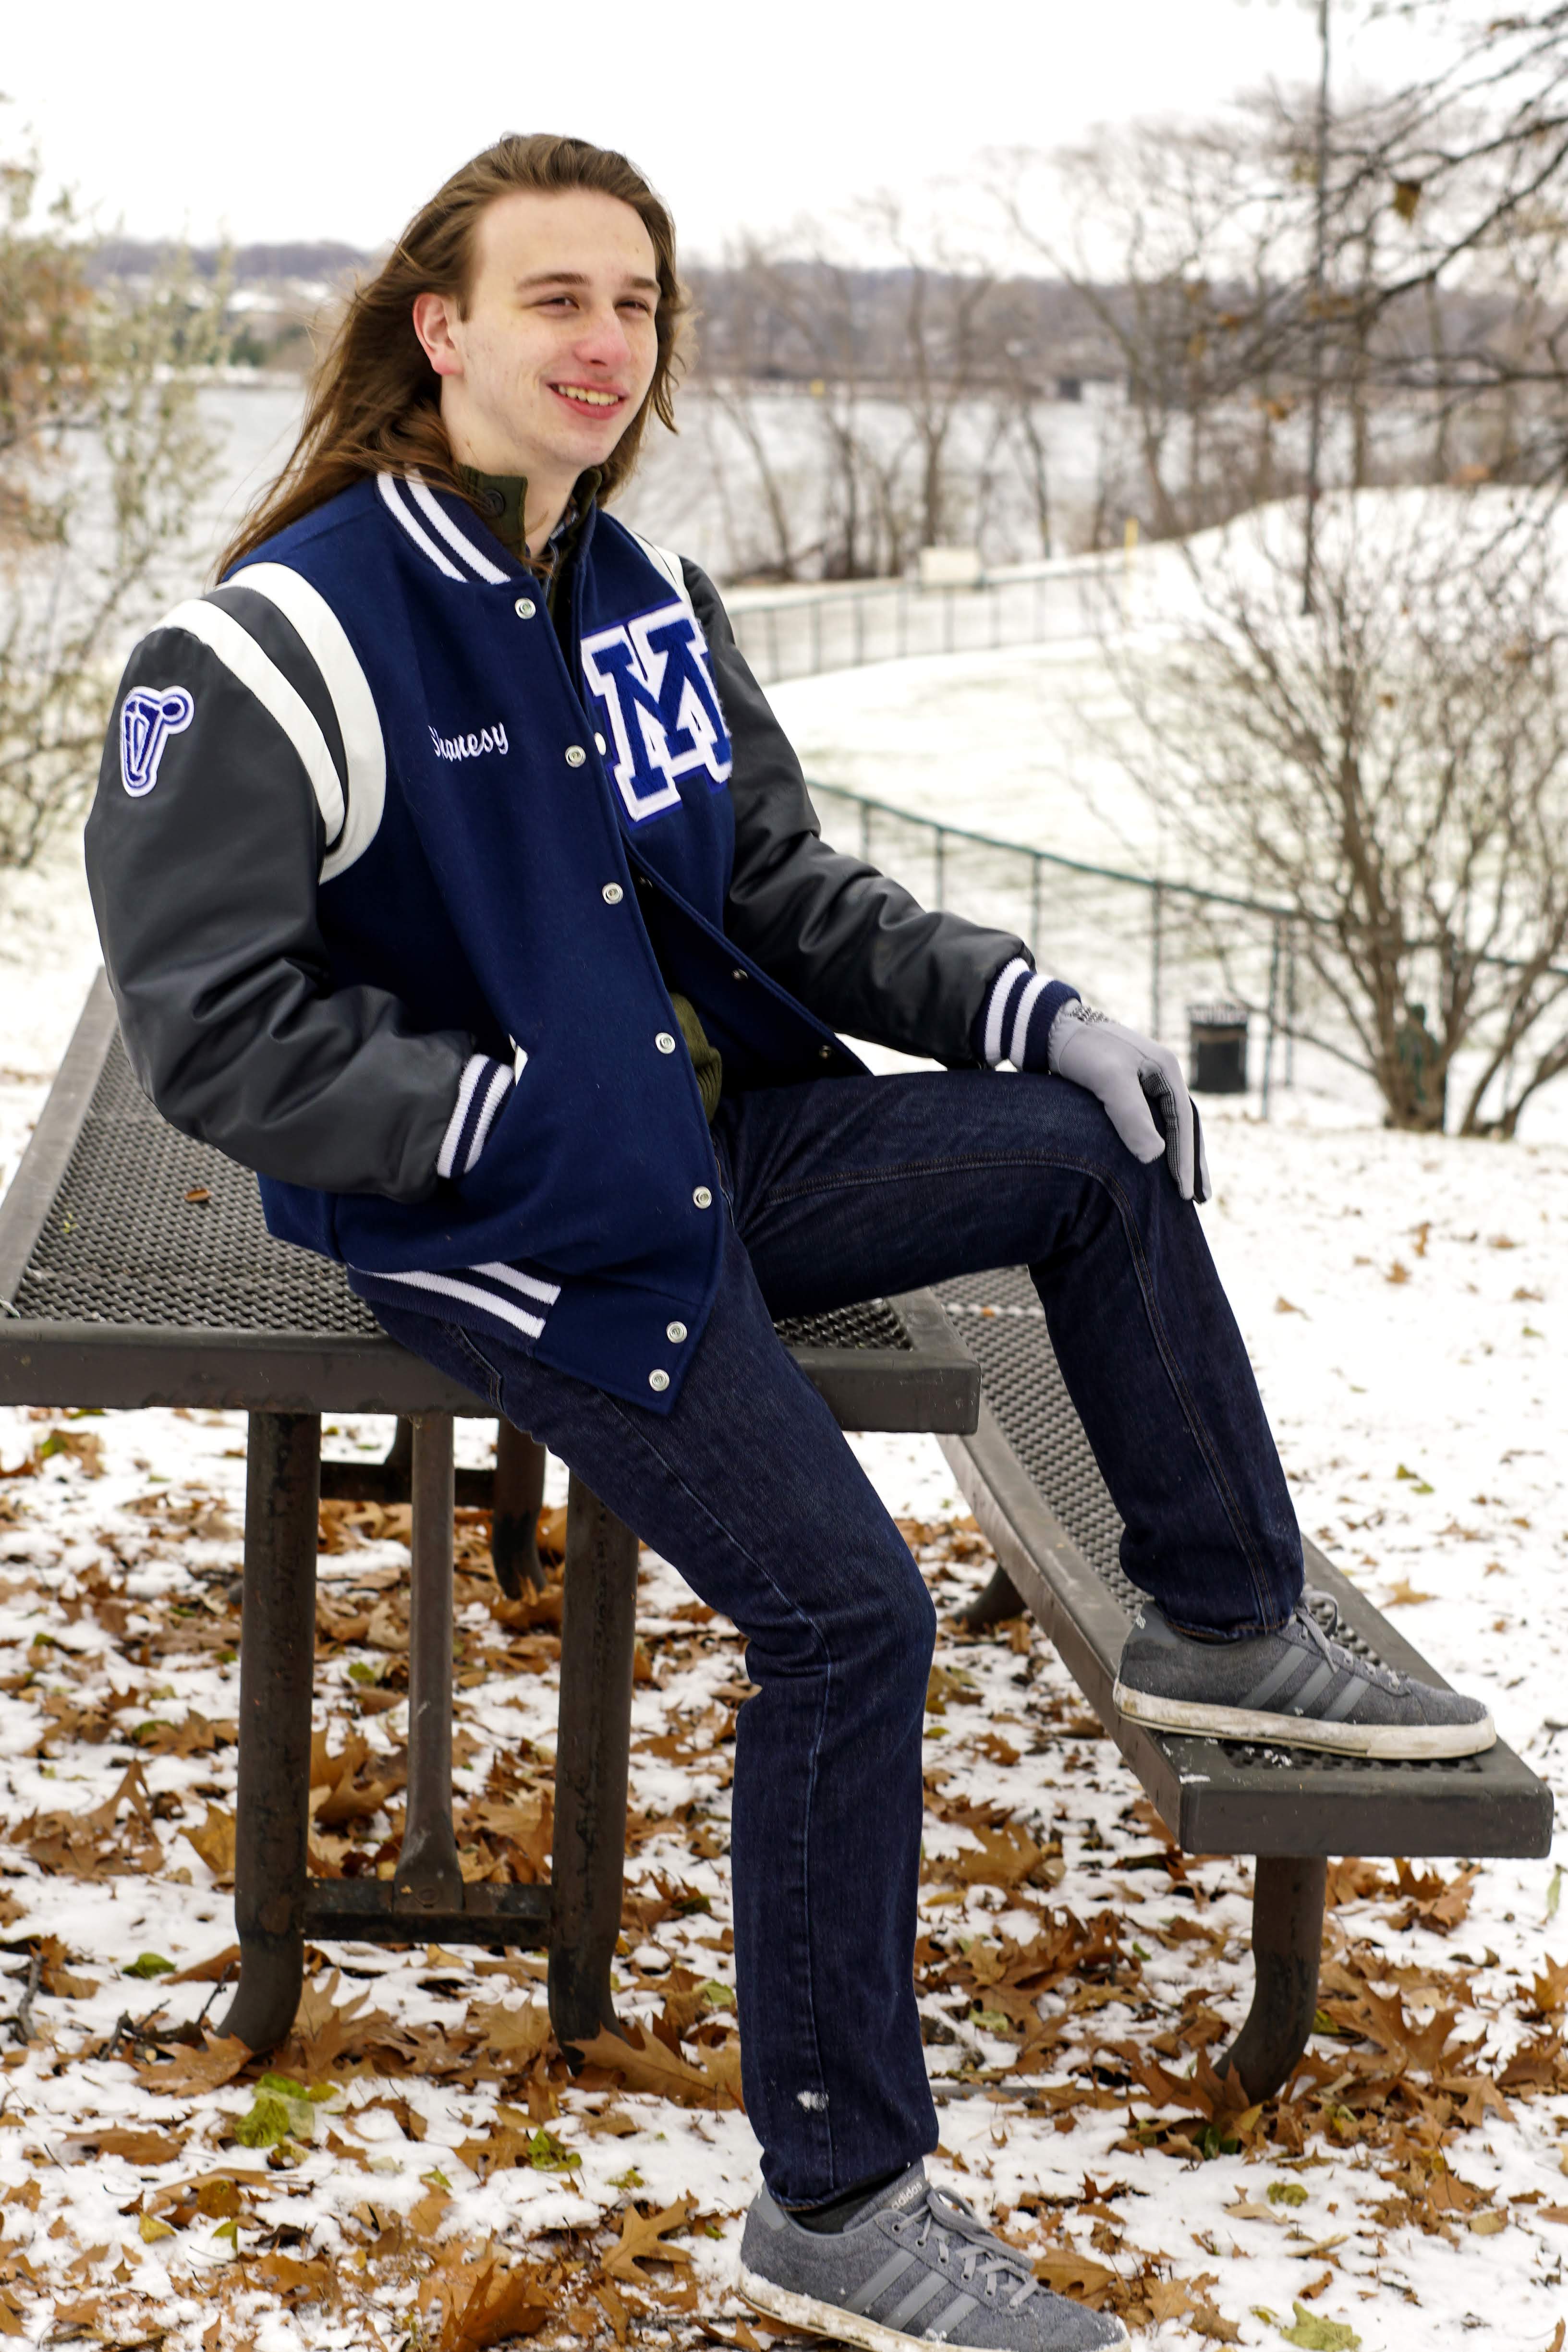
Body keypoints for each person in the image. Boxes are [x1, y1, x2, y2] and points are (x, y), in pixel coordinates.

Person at [85, 134, 1493, 2352]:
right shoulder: (279, 642)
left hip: (709, 1154)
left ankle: (1222, 1622)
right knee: (847, 1619)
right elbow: (217, 1028)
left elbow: (772, 884)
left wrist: (1019, 1004)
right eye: (556, 297)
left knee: (1087, 1142)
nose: (605, 342)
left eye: (637, 303)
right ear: (441, 328)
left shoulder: (638, 597)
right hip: (521, 1225)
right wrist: (488, 1114)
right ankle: (839, 2198)